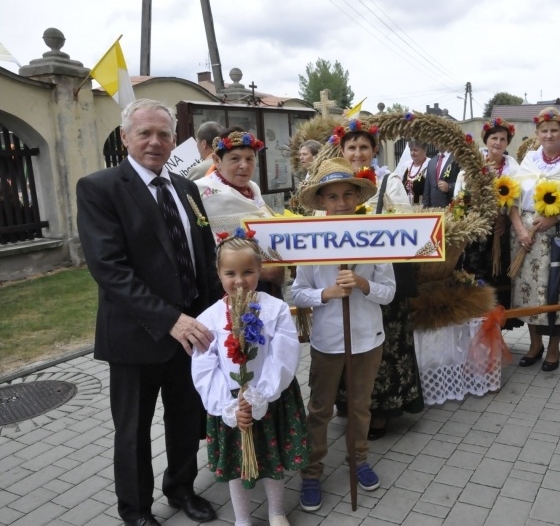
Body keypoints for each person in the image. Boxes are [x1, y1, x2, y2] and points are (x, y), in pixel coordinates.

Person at [76, 98, 219, 526]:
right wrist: (169, 320)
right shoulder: (100, 188)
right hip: (138, 335)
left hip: (191, 331)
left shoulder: (187, 188)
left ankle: (181, 489)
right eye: (145, 133)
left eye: (163, 134)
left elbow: (203, 252)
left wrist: (215, 317)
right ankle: (136, 510)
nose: (155, 142)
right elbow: (110, 270)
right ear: (125, 138)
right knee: (134, 431)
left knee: (185, 418)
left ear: (175, 139)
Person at [291, 157, 396, 511]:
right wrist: (326, 294)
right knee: (320, 408)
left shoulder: (377, 237)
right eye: (332, 197)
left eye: (347, 195)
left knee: (359, 406)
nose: (341, 203)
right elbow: (296, 291)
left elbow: (389, 291)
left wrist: (364, 283)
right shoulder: (309, 241)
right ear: (321, 202)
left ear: (358, 198)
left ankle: (359, 459)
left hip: (368, 338)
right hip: (328, 340)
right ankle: (311, 471)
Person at [191, 230, 310, 526]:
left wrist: (260, 396)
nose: (239, 280)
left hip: (268, 397)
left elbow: (283, 354)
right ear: (219, 274)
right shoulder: (209, 318)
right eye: (230, 273)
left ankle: (275, 511)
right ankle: (242, 517)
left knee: (271, 460)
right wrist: (228, 406)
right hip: (231, 403)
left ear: (260, 271)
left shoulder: (276, 309)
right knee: (237, 463)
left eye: (248, 272)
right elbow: (204, 366)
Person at [330, 120, 423, 439]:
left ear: (373, 151)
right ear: (342, 150)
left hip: (382, 276)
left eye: (364, 147)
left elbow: (408, 227)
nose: (357, 153)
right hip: (345, 276)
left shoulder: (390, 182)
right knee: (350, 338)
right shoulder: (330, 181)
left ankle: (382, 409)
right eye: (352, 147)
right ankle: (350, 404)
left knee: (385, 343)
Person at [510, 108, 560, 371]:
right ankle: (535, 344)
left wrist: (554, 218)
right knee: (530, 290)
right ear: (537, 134)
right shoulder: (530, 160)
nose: (549, 135)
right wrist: (520, 229)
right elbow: (512, 199)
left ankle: (554, 347)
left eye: (554, 130)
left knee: (556, 290)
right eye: (544, 130)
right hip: (528, 238)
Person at [194, 128, 284, 297]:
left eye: (250, 159)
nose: (244, 166)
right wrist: (259, 271)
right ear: (216, 160)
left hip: (266, 287)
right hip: (229, 290)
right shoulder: (201, 192)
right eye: (235, 159)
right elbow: (203, 250)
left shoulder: (253, 188)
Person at [461, 117, 523, 330]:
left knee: (499, 279)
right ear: (486, 140)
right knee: (476, 278)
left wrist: (504, 219)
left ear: (507, 143)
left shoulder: (514, 170)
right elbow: (461, 197)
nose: (497, 142)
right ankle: (475, 327)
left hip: (500, 235)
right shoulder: (472, 165)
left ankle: (495, 331)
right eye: (493, 138)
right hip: (477, 235)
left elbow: (518, 200)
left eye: (502, 139)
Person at [399, 139, 429, 204]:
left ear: (424, 151)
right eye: (411, 150)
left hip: (422, 208)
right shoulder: (406, 166)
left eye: (415, 150)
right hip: (406, 208)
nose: (412, 153)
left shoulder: (429, 165)